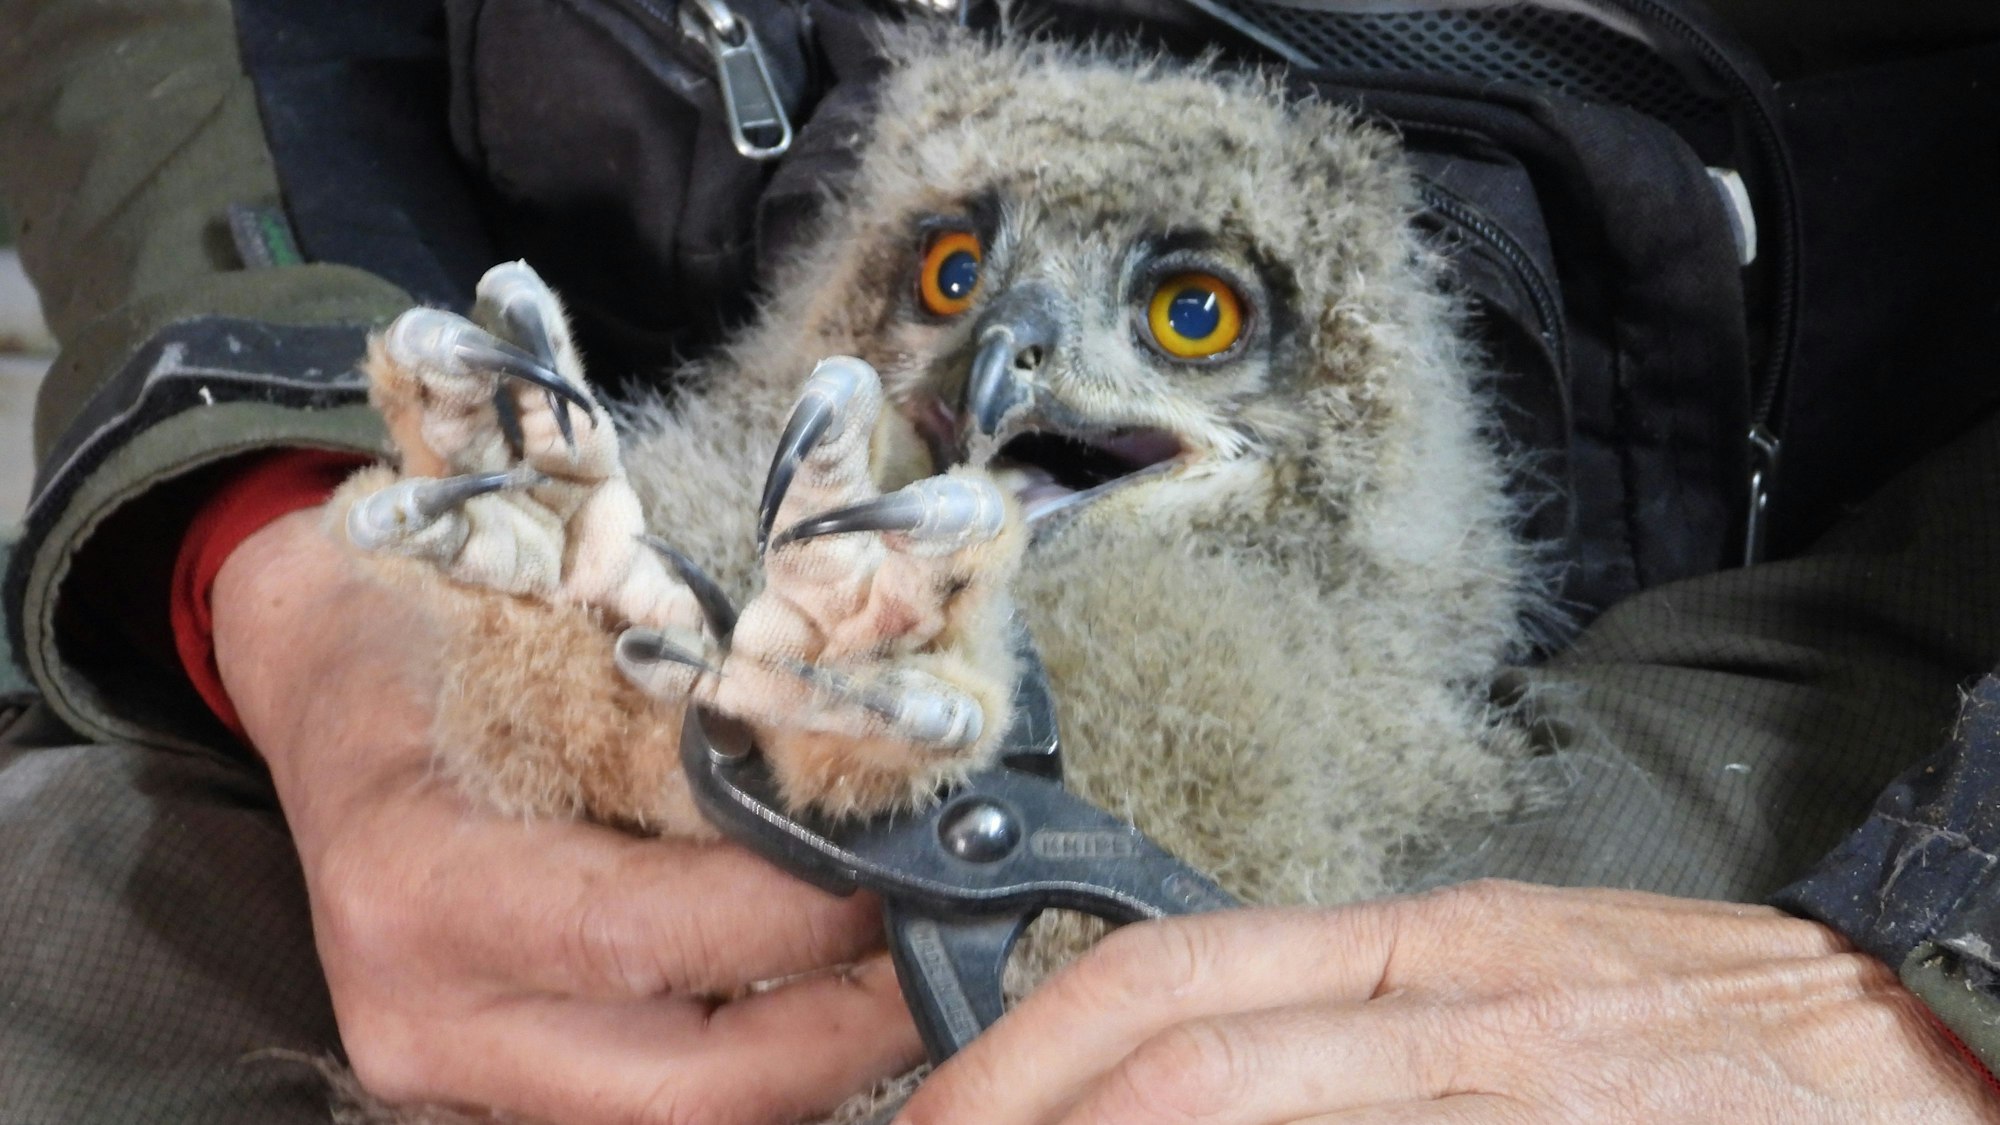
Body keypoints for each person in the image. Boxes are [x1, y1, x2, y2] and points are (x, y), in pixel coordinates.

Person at [3, 0, 2000, 1122]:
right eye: (959, 285)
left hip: (1799, 663)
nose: (1013, 349)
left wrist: (1952, 973)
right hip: (609, 474)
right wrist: (279, 523)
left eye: (1189, 315)